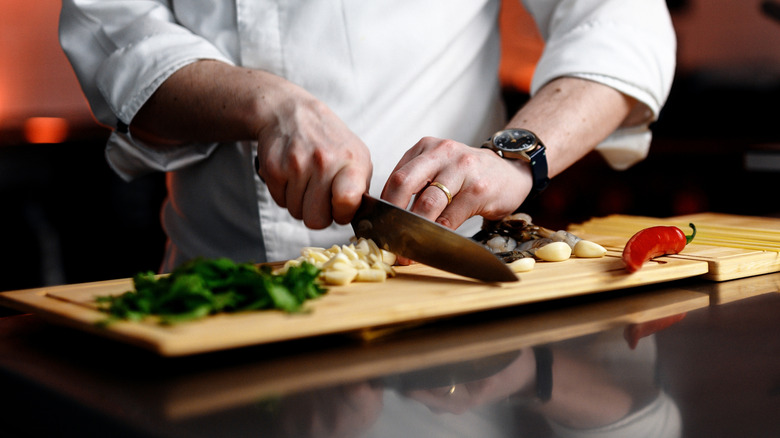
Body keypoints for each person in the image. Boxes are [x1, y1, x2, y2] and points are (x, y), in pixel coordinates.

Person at [59, 1, 676, 271]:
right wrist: (265, 102)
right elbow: (113, 26)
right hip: (222, 282)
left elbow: (620, 19)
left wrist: (515, 155)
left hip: (442, 290)